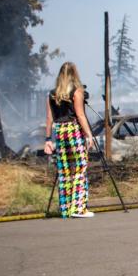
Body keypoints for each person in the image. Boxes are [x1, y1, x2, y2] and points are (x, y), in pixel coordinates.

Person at [44, 62, 96, 218]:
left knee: (65, 169)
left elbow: (49, 117)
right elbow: (80, 115)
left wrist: (48, 138)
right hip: (73, 130)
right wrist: (88, 134)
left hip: (59, 131)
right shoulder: (77, 91)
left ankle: (65, 208)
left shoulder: (52, 94)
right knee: (80, 167)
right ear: (75, 74)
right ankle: (79, 208)